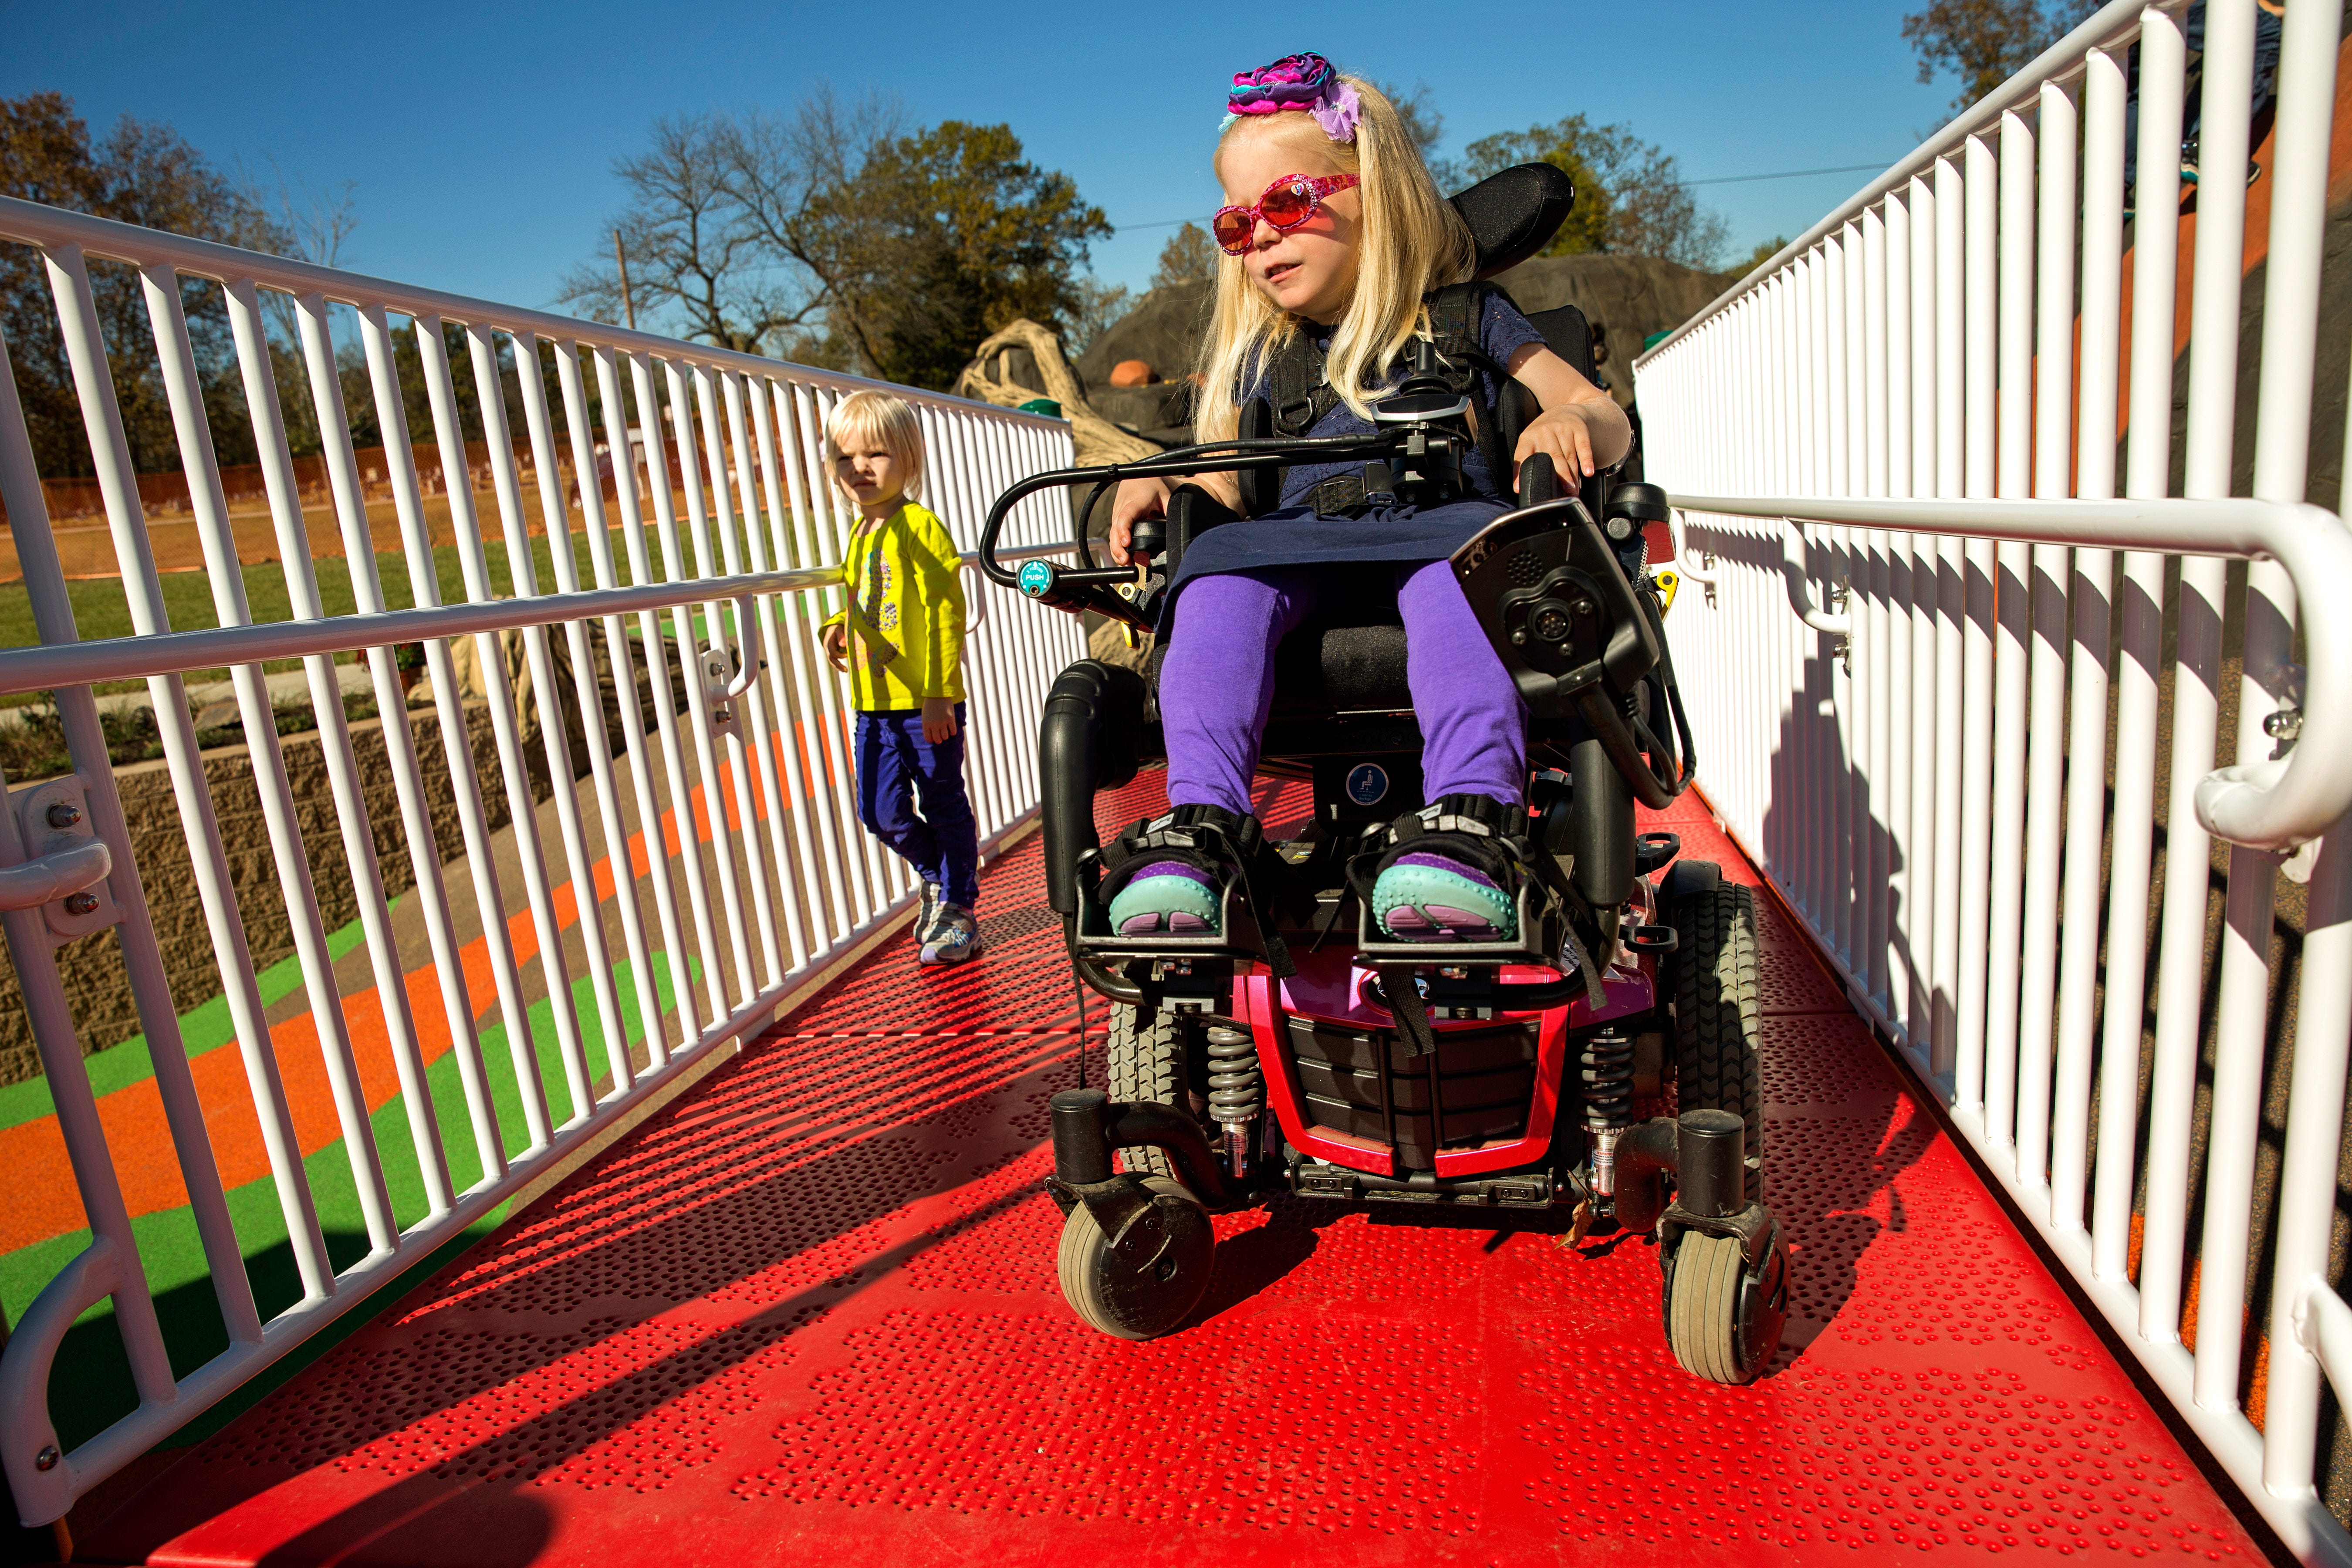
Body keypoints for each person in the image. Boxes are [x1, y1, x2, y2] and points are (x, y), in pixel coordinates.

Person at [1103, 52, 1630, 944]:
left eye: (1284, 202)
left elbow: (1601, 414)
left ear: (1372, 192)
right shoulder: (1266, 354)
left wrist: (1562, 422)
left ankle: (1470, 827)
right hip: (1295, 543)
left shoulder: (1466, 317)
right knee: (1214, 582)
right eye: (1238, 222)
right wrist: (1163, 476)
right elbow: (1223, 477)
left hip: (1438, 532)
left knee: (1456, 581)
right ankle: (1205, 833)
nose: (1260, 236)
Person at [818, 391, 984, 966]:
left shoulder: (918, 526)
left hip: (923, 702)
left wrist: (939, 696)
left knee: (942, 799)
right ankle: (937, 874)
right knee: (878, 811)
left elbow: (944, 612)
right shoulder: (861, 533)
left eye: (876, 455)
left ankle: (960, 909)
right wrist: (838, 627)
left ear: (908, 461)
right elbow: (866, 600)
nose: (858, 468)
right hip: (872, 701)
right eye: (844, 457)